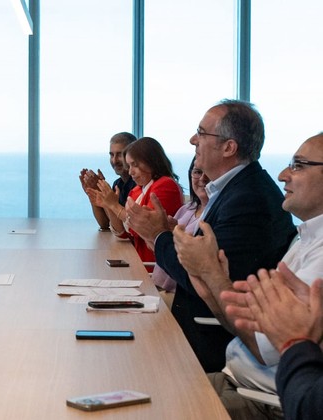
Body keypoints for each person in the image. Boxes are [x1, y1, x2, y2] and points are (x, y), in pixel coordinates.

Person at [124, 99, 296, 373]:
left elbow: (202, 276)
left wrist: (159, 236)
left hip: (209, 349)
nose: (193, 140)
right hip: (196, 335)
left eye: (202, 133)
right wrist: (167, 234)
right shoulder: (235, 190)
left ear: (229, 147)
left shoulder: (248, 199)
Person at [172, 133, 323, 418]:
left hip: (263, 402)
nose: (282, 175)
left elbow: (264, 345)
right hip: (237, 382)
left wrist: (211, 275)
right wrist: (211, 286)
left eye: (299, 165)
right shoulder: (307, 239)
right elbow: (250, 323)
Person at [225, 266, 323, 420]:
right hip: (236, 378)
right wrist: (315, 325)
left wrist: (296, 342)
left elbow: (308, 409)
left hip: (266, 398)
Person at [87, 137, 183, 269]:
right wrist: (108, 205)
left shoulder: (165, 185)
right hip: (137, 262)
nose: (130, 172)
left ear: (151, 162)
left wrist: (114, 205)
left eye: (135, 165)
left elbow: (143, 227)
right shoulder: (137, 190)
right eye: (129, 166)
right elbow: (123, 233)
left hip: (156, 267)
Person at [152, 158, 210, 293]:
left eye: (209, 173)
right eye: (197, 172)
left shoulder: (216, 214)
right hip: (157, 287)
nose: (203, 178)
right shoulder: (187, 208)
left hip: (176, 294)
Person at [80, 132, 137, 231]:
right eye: (111, 155)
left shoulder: (137, 185)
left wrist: (108, 201)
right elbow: (105, 224)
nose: (114, 161)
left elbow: (124, 227)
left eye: (119, 155)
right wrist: (94, 192)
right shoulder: (118, 184)